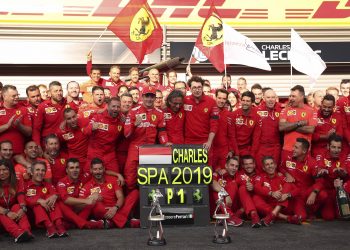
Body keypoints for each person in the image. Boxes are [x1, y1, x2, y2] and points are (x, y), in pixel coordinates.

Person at [124, 86, 169, 192]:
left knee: (150, 179)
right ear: (142, 97)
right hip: (135, 149)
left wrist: (165, 142)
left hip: (150, 149)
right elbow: (126, 134)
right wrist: (134, 125)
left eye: (152, 96)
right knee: (130, 179)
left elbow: (162, 131)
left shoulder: (159, 113)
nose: (149, 99)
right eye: (146, 96)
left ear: (155, 98)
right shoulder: (133, 112)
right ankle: (133, 204)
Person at [79, 158, 139, 228]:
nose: (98, 171)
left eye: (100, 169)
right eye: (95, 169)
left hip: (117, 209)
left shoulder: (113, 180)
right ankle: (126, 222)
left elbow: (120, 197)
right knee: (95, 203)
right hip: (102, 212)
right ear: (91, 170)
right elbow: (80, 206)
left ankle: (111, 223)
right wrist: (90, 198)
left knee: (135, 193)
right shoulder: (87, 187)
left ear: (104, 169)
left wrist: (115, 208)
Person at [279, 138, 327, 221]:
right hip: (294, 193)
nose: (293, 149)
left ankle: (311, 210)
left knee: (323, 194)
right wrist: (287, 174)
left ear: (304, 151)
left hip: (306, 192)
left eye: (296, 148)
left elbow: (320, 181)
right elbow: (280, 168)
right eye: (294, 146)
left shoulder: (312, 162)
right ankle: (298, 210)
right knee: (302, 217)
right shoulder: (288, 157)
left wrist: (314, 192)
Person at [82, 97, 124, 182]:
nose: (116, 109)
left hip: (110, 155)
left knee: (116, 180)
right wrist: (92, 128)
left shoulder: (122, 119)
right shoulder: (98, 117)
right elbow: (85, 132)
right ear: (107, 106)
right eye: (113, 106)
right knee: (88, 179)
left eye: (118, 107)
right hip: (95, 153)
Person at [56, 158, 103, 229]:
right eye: (72, 168)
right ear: (67, 170)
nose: (75, 170)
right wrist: (87, 200)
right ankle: (85, 224)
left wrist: (118, 175)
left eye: (77, 167)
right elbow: (66, 200)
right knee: (60, 202)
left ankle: (74, 224)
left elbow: (98, 171)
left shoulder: (84, 177)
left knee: (93, 198)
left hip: (80, 210)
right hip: (68, 212)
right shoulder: (62, 182)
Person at [253, 156, 301, 226]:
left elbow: (297, 190)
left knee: (288, 185)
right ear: (263, 168)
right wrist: (271, 193)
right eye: (267, 164)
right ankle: (286, 217)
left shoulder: (281, 177)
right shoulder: (260, 177)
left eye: (271, 163)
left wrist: (287, 195)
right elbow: (256, 187)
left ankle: (273, 215)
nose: (270, 166)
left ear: (275, 165)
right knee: (255, 198)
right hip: (267, 206)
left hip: (281, 204)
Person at [24, 161, 68, 238]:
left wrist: (55, 196)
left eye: (43, 170)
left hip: (48, 213)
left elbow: (57, 194)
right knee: (38, 204)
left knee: (52, 199)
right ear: (31, 172)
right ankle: (49, 227)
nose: (40, 172)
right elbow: (23, 200)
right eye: (37, 170)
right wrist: (38, 200)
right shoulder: (25, 185)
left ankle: (59, 224)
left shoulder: (48, 185)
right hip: (32, 217)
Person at [183, 76, 219, 165]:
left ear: (202, 87)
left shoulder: (211, 102)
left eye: (199, 87)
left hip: (205, 142)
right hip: (188, 142)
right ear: (190, 89)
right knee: (189, 171)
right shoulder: (185, 100)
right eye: (194, 87)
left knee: (205, 171)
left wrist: (209, 141)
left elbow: (214, 124)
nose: (197, 90)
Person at [316, 134, 350, 220]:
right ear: (328, 146)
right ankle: (317, 210)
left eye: (339, 148)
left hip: (338, 190)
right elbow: (319, 170)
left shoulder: (345, 155)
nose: (336, 150)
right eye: (333, 147)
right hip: (326, 190)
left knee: (341, 216)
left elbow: (346, 172)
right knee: (329, 217)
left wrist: (342, 173)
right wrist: (325, 171)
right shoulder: (321, 155)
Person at [279, 85, 317, 158]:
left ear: (301, 97)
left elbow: (310, 129)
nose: (290, 98)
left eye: (293, 96)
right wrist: (299, 123)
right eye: (290, 96)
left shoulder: (312, 110)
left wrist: (289, 126)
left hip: (304, 152)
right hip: (288, 150)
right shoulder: (285, 110)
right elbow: (281, 127)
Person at [0, 159, 33, 243]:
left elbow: (20, 195)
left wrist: (23, 208)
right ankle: (18, 233)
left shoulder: (17, 181)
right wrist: (7, 212)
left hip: (13, 216)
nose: (1, 173)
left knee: (17, 206)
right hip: (3, 216)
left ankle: (26, 232)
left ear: (10, 170)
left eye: (4, 169)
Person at [255, 89, 282, 172]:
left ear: (276, 98)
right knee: (261, 170)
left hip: (275, 147)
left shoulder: (281, 110)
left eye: (273, 97)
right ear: (263, 98)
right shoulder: (257, 110)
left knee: (274, 170)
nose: (271, 99)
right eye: (268, 97)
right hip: (261, 147)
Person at [33, 81, 66, 147]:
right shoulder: (42, 106)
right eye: (56, 91)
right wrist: (38, 146)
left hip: (64, 142)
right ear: (49, 93)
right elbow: (36, 129)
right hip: (48, 144)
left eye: (60, 90)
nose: (59, 93)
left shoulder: (67, 103)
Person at [211, 156, 243, 226]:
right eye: (232, 165)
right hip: (217, 208)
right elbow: (213, 184)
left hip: (232, 206)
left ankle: (227, 217)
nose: (234, 168)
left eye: (236, 166)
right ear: (226, 166)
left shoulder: (239, 175)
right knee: (217, 189)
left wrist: (243, 209)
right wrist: (226, 195)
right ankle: (229, 216)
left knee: (234, 185)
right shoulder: (218, 174)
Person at [0, 85, 32, 155]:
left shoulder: (24, 109)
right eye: (13, 96)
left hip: (19, 153)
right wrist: (6, 126)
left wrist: (19, 126)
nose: (17, 97)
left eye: (17, 95)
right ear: (4, 97)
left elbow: (29, 132)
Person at [212, 89, 238, 171]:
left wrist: (231, 150)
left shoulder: (229, 115)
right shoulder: (209, 110)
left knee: (224, 173)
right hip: (211, 148)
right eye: (219, 98)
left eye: (224, 99)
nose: (221, 101)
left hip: (224, 149)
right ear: (215, 97)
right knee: (209, 173)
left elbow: (231, 135)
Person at [231, 91, 260, 157]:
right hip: (233, 148)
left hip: (247, 149)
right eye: (243, 100)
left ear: (252, 102)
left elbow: (256, 138)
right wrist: (236, 153)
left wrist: (252, 154)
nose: (245, 103)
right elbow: (232, 136)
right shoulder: (234, 114)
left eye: (247, 101)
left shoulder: (257, 117)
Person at [235, 155, 261, 228]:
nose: (249, 166)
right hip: (240, 202)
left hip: (255, 202)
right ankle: (254, 214)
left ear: (254, 164)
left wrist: (253, 188)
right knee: (242, 188)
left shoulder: (260, 174)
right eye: (246, 164)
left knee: (256, 196)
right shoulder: (238, 174)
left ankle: (241, 211)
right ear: (242, 166)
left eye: (250, 163)